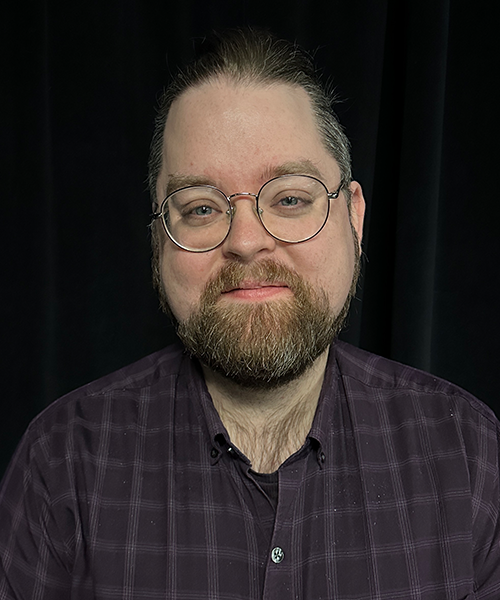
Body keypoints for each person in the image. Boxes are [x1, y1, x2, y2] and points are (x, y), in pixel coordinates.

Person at [1, 29, 499, 600]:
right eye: (201, 208)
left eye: (289, 199)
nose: (245, 241)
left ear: (354, 218)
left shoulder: (471, 459)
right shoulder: (60, 464)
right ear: (159, 240)